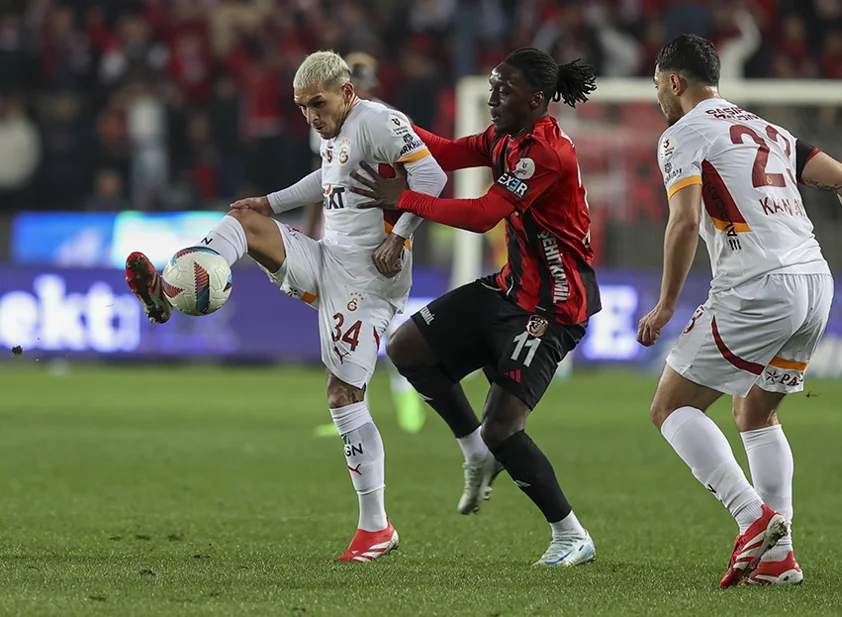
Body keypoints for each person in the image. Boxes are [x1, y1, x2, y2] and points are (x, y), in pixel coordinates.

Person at [124, 51, 447, 563]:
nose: (310, 116)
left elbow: (433, 178)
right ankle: (173, 289)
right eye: (301, 108)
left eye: (317, 104)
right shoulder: (334, 132)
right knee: (244, 219)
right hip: (327, 258)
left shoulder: (379, 122)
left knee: (343, 395)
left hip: (370, 279)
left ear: (346, 92)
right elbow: (327, 181)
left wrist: (399, 237)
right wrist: (270, 203)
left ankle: (376, 527)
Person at [638, 34, 842, 587]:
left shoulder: (682, 134)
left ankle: (752, 519)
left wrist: (666, 305)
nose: (659, 96)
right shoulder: (769, 130)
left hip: (757, 285)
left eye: (658, 86)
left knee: (671, 408)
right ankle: (780, 558)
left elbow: (685, 221)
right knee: (757, 414)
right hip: (815, 283)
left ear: (675, 82)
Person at [350, 47, 601, 567]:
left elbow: (484, 215)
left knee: (503, 426)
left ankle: (571, 535)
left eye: (503, 91)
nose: (492, 99)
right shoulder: (504, 138)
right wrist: (382, 119)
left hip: (553, 306)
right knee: (407, 348)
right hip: (510, 289)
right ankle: (475, 451)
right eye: (492, 88)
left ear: (536, 99)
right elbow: (445, 152)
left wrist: (405, 198)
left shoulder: (545, 153)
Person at [307, 52, 427, 438]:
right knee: (344, 327)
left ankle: (405, 393)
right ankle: (352, 410)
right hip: (342, 236)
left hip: (381, 237)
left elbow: (419, 178)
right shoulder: (325, 119)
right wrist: (314, 227)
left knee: (384, 326)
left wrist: (401, 233)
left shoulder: (387, 119)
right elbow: (323, 178)